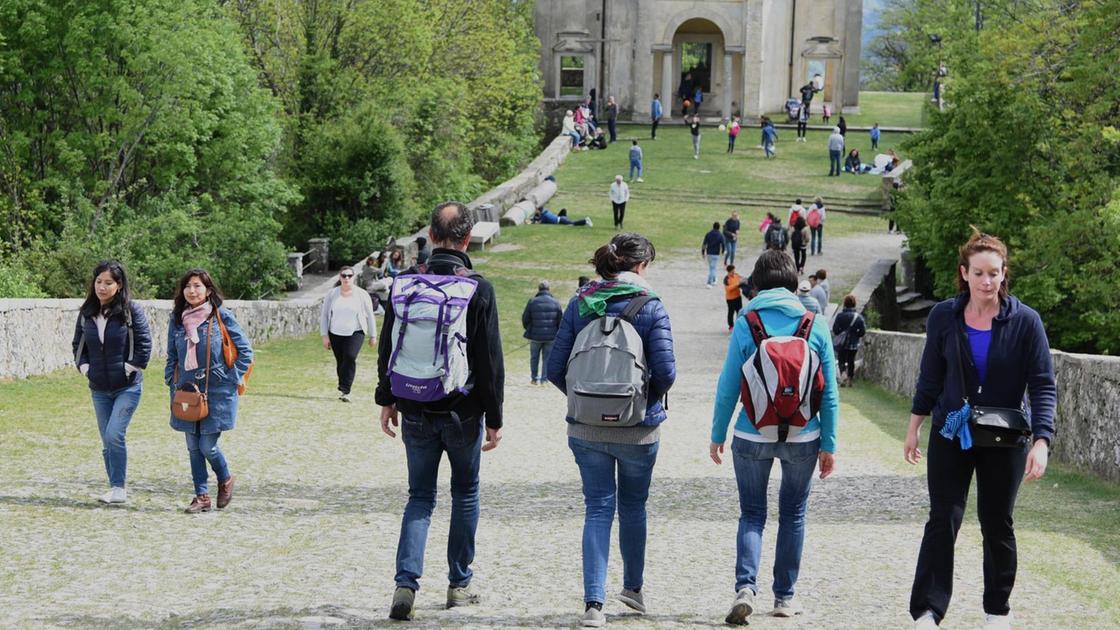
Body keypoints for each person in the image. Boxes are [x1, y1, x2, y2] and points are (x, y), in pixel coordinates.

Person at [905, 230, 1057, 630]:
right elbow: (930, 377)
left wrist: (1041, 441)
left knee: (997, 522)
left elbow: (1043, 384)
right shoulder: (944, 316)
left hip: (1005, 438)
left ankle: (996, 611)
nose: (987, 281)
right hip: (951, 433)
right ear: (964, 273)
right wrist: (914, 425)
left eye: (994, 273)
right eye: (979, 273)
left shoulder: (1026, 322)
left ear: (1004, 273)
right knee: (944, 518)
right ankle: (928, 611)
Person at [377, 201, 506, 621]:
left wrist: (387, 399)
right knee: (465, 493)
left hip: (413, 404)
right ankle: (458, 584)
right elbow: (489, 361)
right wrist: (496, 418)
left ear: (431, 236)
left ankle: (405, 585)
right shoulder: (478, 288)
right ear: (468, 238)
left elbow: (386, 347)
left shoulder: (405, 284)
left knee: (419, 497)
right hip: (463, 411)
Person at [546, 232, 676, 629]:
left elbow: (554, 369)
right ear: (640, 266)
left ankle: (593, 602)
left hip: (585, 429)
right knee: (633, 506)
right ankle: (633, 589)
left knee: (597, 507)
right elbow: (667, 372)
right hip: (638, 429)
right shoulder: (651, 306)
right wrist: (637, 402)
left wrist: (587, 401)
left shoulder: (580, 303)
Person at [710, 249, 839, 625]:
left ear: (758, 283)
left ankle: (745, 587)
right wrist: (828, 443)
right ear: (792, 282)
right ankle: (784, 597)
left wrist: (718, 433)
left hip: (752, 433)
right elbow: (828, 390)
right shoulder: (814, 322)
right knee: (794, 514)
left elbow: (729, 384)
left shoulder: (747, 322)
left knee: (751, 513)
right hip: (803, 435)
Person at [165, 268, 253, 514]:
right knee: (193, 447)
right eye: (188, 286)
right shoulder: (177, 319)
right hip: (186, 391)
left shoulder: (221, 316)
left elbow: (246, 352)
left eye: (197, 286)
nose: (192, 291)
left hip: (216, 392)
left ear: (208, 290)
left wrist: (229, 378)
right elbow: (172, 355)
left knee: (207, 447)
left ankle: (225, 478)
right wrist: (171, 381)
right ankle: (201, 496)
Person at [72, 260, 152, 505]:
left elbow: (144, 343)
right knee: (107, 439)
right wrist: (85, 368)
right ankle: (114, 487)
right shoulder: (87, 313)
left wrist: (130, 368)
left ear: (119, 285)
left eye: (108, 283)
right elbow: (78, 346)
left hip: (127, 386)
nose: (102, 287)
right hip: (98, 388)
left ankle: (118, 488)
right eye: (98, 282)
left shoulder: (130, 311)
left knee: (115, 434)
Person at [320, 266, 377, 402]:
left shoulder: (362, 294)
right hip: (335, 332)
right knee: (341, 361)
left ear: (354, 277)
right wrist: (324, 335)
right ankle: (342, 387)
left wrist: (373, 335)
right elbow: (324, 316)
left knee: (350, 357)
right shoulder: (332, 294)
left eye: (349, 276)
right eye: (344, 276)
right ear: (340, 277)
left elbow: (370, 315)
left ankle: (346, 390)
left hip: (355, 331)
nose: (346, 278)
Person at [521, 280, 563, 386]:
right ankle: (544, 379)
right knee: (547, 358)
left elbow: (525, 319)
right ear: (549, 289)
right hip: (551, 336)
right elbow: (560, 320)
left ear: (539, 289)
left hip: (535, 336)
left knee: (534, 357)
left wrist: (530, 329)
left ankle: (534, 379)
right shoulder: (556, 302)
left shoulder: (532, 301)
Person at [831, 295, 866, 387]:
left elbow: (835, 330)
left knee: (841, 360)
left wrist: (842, 333)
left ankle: (843, 375)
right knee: (851, 361)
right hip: (853, 344)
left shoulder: (840, 316)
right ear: (854, 304)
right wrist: (856, 335)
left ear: (845, 304)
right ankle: (850, 380)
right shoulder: (859, 317)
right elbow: (862, 332)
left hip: (842, 343)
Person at [702, 221, 725, 287]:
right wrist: (723, 251)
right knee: (713, 268)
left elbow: (704, 244)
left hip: (709, 253)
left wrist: (703, 252)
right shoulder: (720, 235)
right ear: (719, 227)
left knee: (712, 267)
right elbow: (723, 244)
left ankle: (714, 279)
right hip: (716, 254)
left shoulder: (708, 234)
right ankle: (709, 282)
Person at [724, 264, 745, 330]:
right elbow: (728, 289)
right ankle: (731, 326)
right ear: (728, 272)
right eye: (732, 272)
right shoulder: (726, 279)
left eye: (734, 271)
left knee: (740, 312)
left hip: (738, 297)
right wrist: (736, 285)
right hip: (730, 299)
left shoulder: (736, 275)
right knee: (731, 312)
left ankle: (739, 325)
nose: (733, 272)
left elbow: (742, 279)